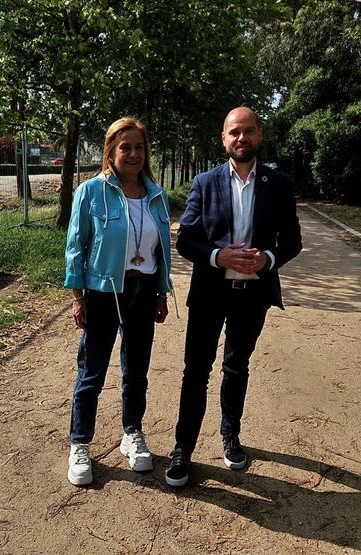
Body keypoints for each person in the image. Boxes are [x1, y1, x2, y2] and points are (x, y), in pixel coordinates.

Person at [164, 107, 302, 487]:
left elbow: (293, 241)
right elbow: (186, 239)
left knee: (236, 368)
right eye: (234, 132)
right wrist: (216, 255)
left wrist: (269, 259)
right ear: (224, 139)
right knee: (196, 371)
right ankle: (183, 449)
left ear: (259, 135)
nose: (242, 138)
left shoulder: (278, 184)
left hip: (252, 296)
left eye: (249, 131)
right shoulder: (205, 183)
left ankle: (231, 435)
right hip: (210, 293)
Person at [64, 117, 173, 486]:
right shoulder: (91, 191)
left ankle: (132, 434)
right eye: (125, 147)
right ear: (110, 151)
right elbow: (75, 247)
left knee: (136, 371)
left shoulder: (156, 195)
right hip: (103, 291)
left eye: (139, 147)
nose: (133, 154)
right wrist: (78, 296)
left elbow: (161, 250)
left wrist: (161, 291)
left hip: (143, 293)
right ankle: (80, 443)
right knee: (91, 372)